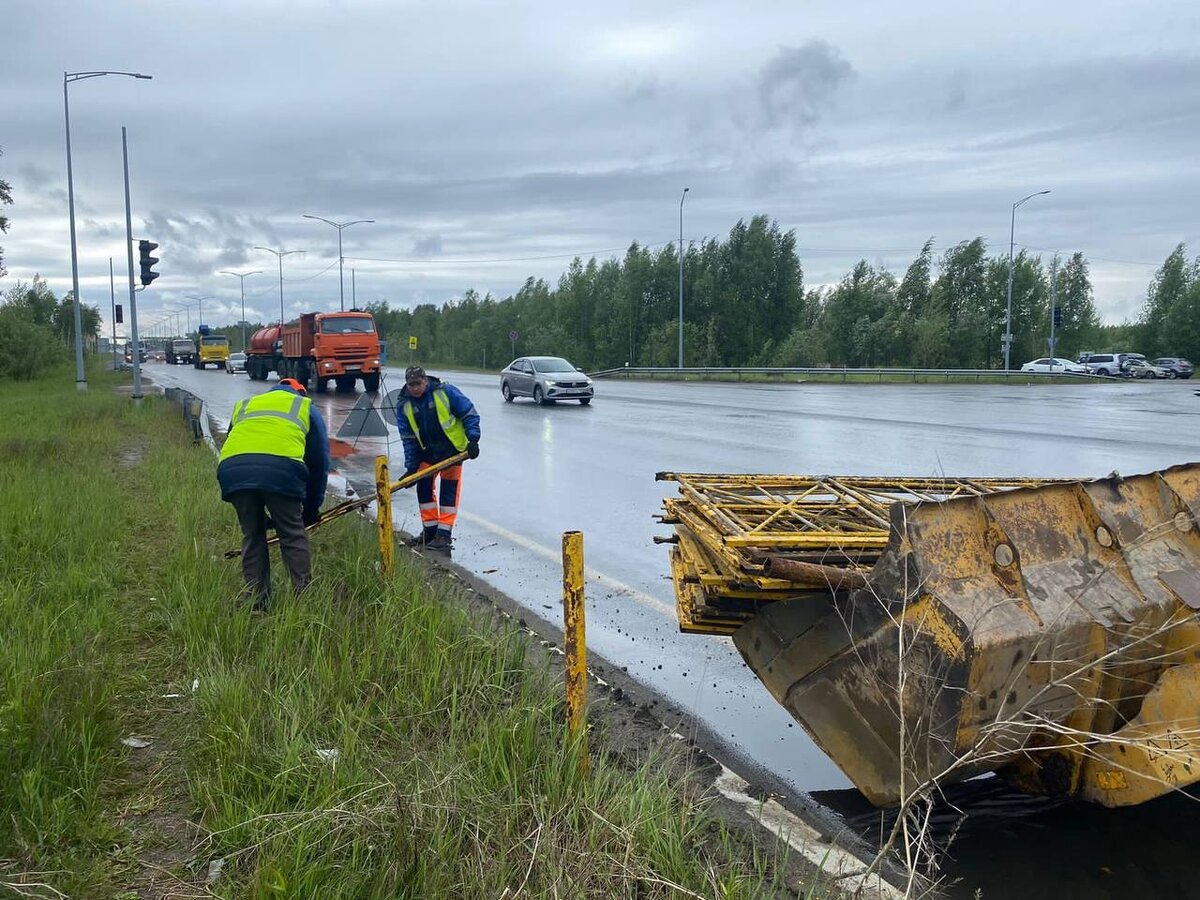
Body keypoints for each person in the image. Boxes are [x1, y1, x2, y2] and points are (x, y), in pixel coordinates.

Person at [217, 377, 330, 610]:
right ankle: (304, 600)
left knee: (252, 534)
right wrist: (310, 510)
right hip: (281, 471)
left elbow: (235, 443)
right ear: (300, 392)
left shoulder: (247, 405)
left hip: (233, 471)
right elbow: (319, 463)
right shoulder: (305, 407)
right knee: (291, 533)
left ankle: (256, 601)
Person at [395, 365, 481, 551]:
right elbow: (408, 439)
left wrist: (473, 439)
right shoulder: (404, 405)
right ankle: (430, 530)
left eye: (418, 383)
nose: (415, 388)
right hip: (427, 454)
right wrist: (411, 467)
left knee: (449, 492)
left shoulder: (445, 392)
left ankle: (444, 535)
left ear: (425, 381)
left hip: (452, 451)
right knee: (424, 489)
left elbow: (469, 413)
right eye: (411, 385)